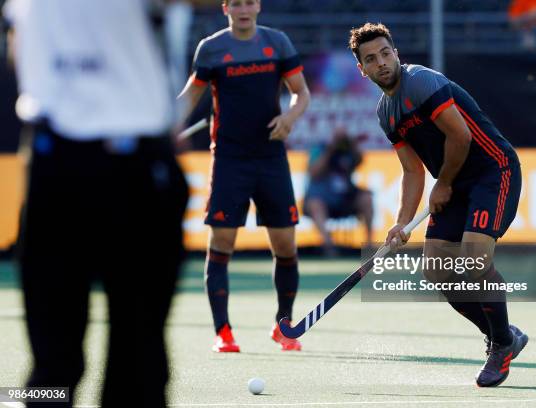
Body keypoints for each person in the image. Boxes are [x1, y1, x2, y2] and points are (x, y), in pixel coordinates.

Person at [4, 0, 189, 406]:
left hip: (67, 159)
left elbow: (18, 40)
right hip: (125, 161)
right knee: (133, 361)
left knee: (59, 364)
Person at [349, 23, 528, 387]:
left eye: (385, 53)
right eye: (371, 59)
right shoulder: (386, 113)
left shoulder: (421, 83)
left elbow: (460, 136)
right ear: (362, 69)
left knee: (475, 260)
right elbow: (412, 170)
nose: (381, 62)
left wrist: (443, 183)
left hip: (492, 172)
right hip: (455, 184)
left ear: (396, 53)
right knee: (437, 270)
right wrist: (401, 222)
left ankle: (500, 348)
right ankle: (504, 336)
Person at [177, 0, 310, 352]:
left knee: (285, 246)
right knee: (221, 245)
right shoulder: (211, 48)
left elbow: (301, 93)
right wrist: (163, 126)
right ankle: (223, 332)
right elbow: (190, 96)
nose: (243, 9)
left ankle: (284, 326)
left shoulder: (277, 43)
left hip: (270, 158)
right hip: (230, 160)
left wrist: (290, 119)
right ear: (226, 8)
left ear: (258, 6)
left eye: (249, 2)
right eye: (236, 3)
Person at [304, 128, 373, 256]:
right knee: (314, 204)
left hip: (344, 199)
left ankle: (369, 245)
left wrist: (352, 144)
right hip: (323, 198)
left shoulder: (347, 151)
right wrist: (330, 150)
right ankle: (329, 245)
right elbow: (313, 172)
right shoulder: (320, 149)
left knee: (366, 197)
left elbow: (360, 160)